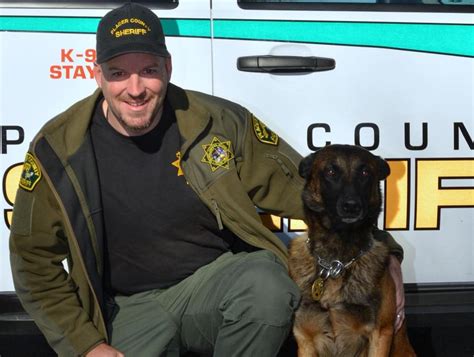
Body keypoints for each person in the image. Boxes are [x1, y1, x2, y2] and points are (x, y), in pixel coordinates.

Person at [9, 3, 406, 357]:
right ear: (98, 76)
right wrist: (88, 346)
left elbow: (311, 192)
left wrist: (384, 252)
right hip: (127, 309)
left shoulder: (219, 123)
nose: (135, 89)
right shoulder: (59, 149)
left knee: (267, 287)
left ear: (167, 68)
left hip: (214, 287)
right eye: (118, 73)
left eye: (148, 71)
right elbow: (33, 260)